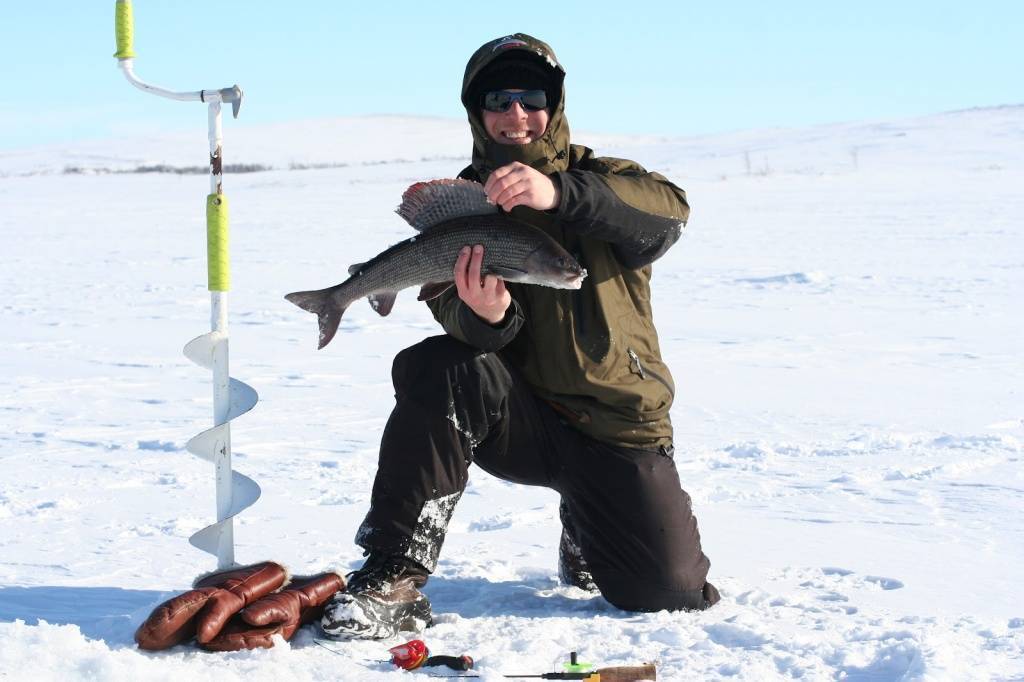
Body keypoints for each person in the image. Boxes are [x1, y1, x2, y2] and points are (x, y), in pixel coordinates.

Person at [322, 33, 719, 640]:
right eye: (498, 101)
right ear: (476, 112)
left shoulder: (601, 178)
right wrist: (487, 317)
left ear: (553, 105)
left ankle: (586, 523)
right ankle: (391, 574)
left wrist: (558, 192)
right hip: (518, 422)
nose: (516, 116)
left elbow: (668, 215)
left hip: (616, 426)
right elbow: (449, 312)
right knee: (442, 363)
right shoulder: (460, 204)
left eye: (531, 99)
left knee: (665, 594)